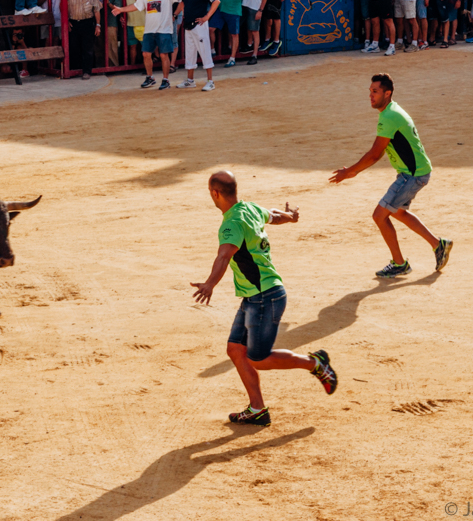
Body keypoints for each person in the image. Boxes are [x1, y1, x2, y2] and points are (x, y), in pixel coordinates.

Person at [192, 170, 338, 427]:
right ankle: (257, 409)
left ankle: (315, 363)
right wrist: (291, 217)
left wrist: (210, 283)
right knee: (236, 350)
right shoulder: (248, 208)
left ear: (215, 193)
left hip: (264, 297)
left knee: (258, 359)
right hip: (257, 296)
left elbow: (224, 256)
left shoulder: (231, 224)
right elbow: (272, 215)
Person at [329, 73, 452, 279]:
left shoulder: (389, 117)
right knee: (398, 212)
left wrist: (350, 172)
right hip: (414, 172)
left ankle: (399, 263)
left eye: (375, 92)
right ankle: (438, 245)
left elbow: (375, 154)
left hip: (412, 176)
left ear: (388, 93)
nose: (371, 95)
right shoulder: (390, 111)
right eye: (370, 91)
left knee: (380, 215)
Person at [112, 0, 181, 89]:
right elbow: (136, 6)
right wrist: (121, 10)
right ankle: (150, 78)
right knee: (146, 54)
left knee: (164, 55)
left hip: (164, 30)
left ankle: (165, 79)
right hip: (149, 30)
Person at [176, 0, 219, 91]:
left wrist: (206, 17)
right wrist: (174, 15)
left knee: (205, 51)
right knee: (189, 53)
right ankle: (190, 80)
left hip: (199, 26)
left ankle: (210, 81)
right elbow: (181, 1)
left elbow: (216, 2)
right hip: (188, 25)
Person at [211, 0, 246, 67]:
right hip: (221, 8)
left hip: (233, 10)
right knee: (210, 28)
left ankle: (232, 58)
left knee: (234, 35)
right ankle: (212, 50)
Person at [68, 0, 102, 79]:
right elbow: (63, 7)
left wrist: (98, 25)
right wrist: (66, 21)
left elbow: (96, 10)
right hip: (74, 22)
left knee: (88, 48)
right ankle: (75, 70)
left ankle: (87, 71)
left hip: (87, 22)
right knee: (74, 47)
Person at [123, 0, 146, 65]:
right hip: (130, 24)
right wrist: (122, 16)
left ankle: (146, 66)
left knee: (145, 47)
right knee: (132, 46)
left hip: (143, 24)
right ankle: (132, 66)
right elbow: (123, 6)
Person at [103, 0, 122, 67]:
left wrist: (108, 3)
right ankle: (101, 68)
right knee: (99, 47)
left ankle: (114, 67)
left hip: (111, 22)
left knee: (112, 47)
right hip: (100, 22)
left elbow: (117, 8)